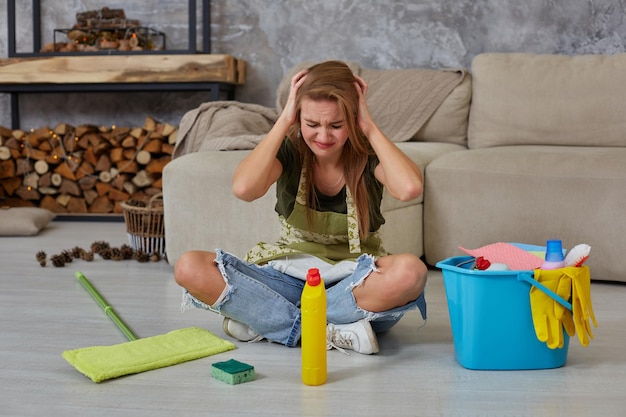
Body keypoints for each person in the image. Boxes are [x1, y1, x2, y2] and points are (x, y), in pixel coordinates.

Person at [174, 60, 427, 354]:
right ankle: (333, 330)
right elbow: (244, 189)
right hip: (288, 278)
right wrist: (283, 122)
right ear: (298, 116)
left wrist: (368, 126)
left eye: (336, 125)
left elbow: (410, 188)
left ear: (353, 118)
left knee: (411, 272)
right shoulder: (290, 152)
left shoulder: (367, 157)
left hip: (352, 286)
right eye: (311, 124)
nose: (323, 136)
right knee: (189, 266)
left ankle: (269, 321)